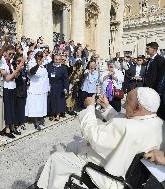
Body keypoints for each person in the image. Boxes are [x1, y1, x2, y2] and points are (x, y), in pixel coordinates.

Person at [36, 87, 164, 189]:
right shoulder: (159, 124)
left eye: (128, 100)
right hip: (130, 177)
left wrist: (90, 108)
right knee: (73, 146)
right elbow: (125, 123)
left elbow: (92, 134)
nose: (124, 104)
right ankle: (62, 178)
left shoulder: (125, 126)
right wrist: (107, 107)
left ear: (138, 107)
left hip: (109, 178)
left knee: (57, 158)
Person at [0, 45, 24, 137]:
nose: (11, 55)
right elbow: (8, 78)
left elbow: (15, 76)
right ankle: (7, 129)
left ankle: (13, 127)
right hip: (6, 88)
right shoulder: (2, 63)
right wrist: (16, 70)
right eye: (10, 53)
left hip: (13, 87)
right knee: (8, 109)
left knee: (13, 108)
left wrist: (18, 70)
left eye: (13, 54)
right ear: (5, 52)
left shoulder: (10, 63)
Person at [25, 51, 50, 130]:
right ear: (35, 56)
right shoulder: (31, 63)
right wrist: (37, 65)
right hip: (34, 89)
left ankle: (40, 118)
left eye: (41, 56)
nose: (39, 57)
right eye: (38, 56)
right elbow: (31, 72)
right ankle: (35, 122)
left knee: (41, 105)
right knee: (34, 106)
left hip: (43, 88)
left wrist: (48, 87)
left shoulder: (44, 64)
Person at [47, 54, 68, 121]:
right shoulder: (49, 66)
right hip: (51, 86)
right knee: (52, 100)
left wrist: (65, 88)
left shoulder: (63, 68)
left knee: (59, 101)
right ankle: (52, 114)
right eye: (56, 59)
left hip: (59, 87)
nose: (57, 61)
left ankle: (58, 115)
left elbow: (65, 79)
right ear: (53, 59)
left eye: (59, 59)